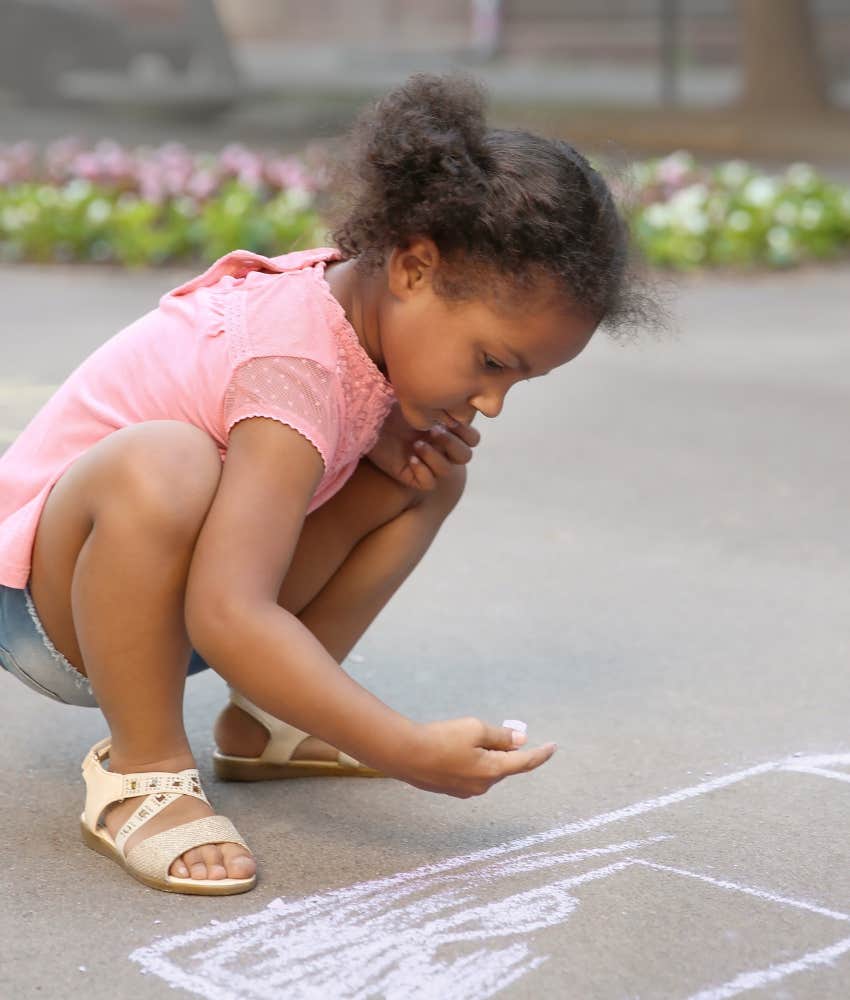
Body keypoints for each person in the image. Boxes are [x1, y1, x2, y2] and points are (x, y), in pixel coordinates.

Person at [0, 74, 653, 896]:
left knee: (422, 475)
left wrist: (381, 448)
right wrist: (401, 747)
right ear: (414, 267)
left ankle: (269, 723)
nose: (492, 400)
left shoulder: (358, 310)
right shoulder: (294, 365)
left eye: (520, 381)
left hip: (169, 599)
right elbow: (227, 613)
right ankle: (144, 770)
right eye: (491, 362)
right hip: (55, 610)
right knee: (166, 461)